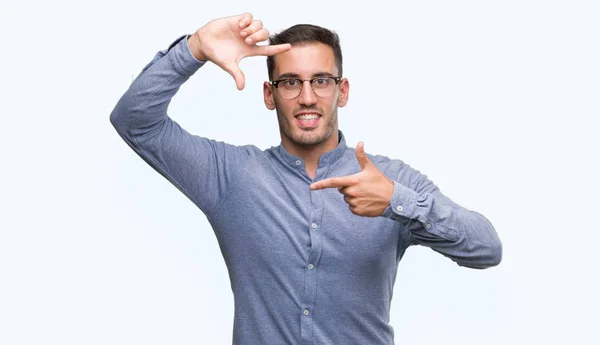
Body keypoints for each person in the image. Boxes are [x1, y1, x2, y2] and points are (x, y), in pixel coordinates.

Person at [110, 12, 502, 345]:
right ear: (269, 94)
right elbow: (134, 122)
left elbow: (486, 248)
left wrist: (398, 202)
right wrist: (194, 48)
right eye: (291, 82)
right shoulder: (230, 176)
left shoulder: (388, 179)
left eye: (321, 81)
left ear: (341, 91)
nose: (308, 97)